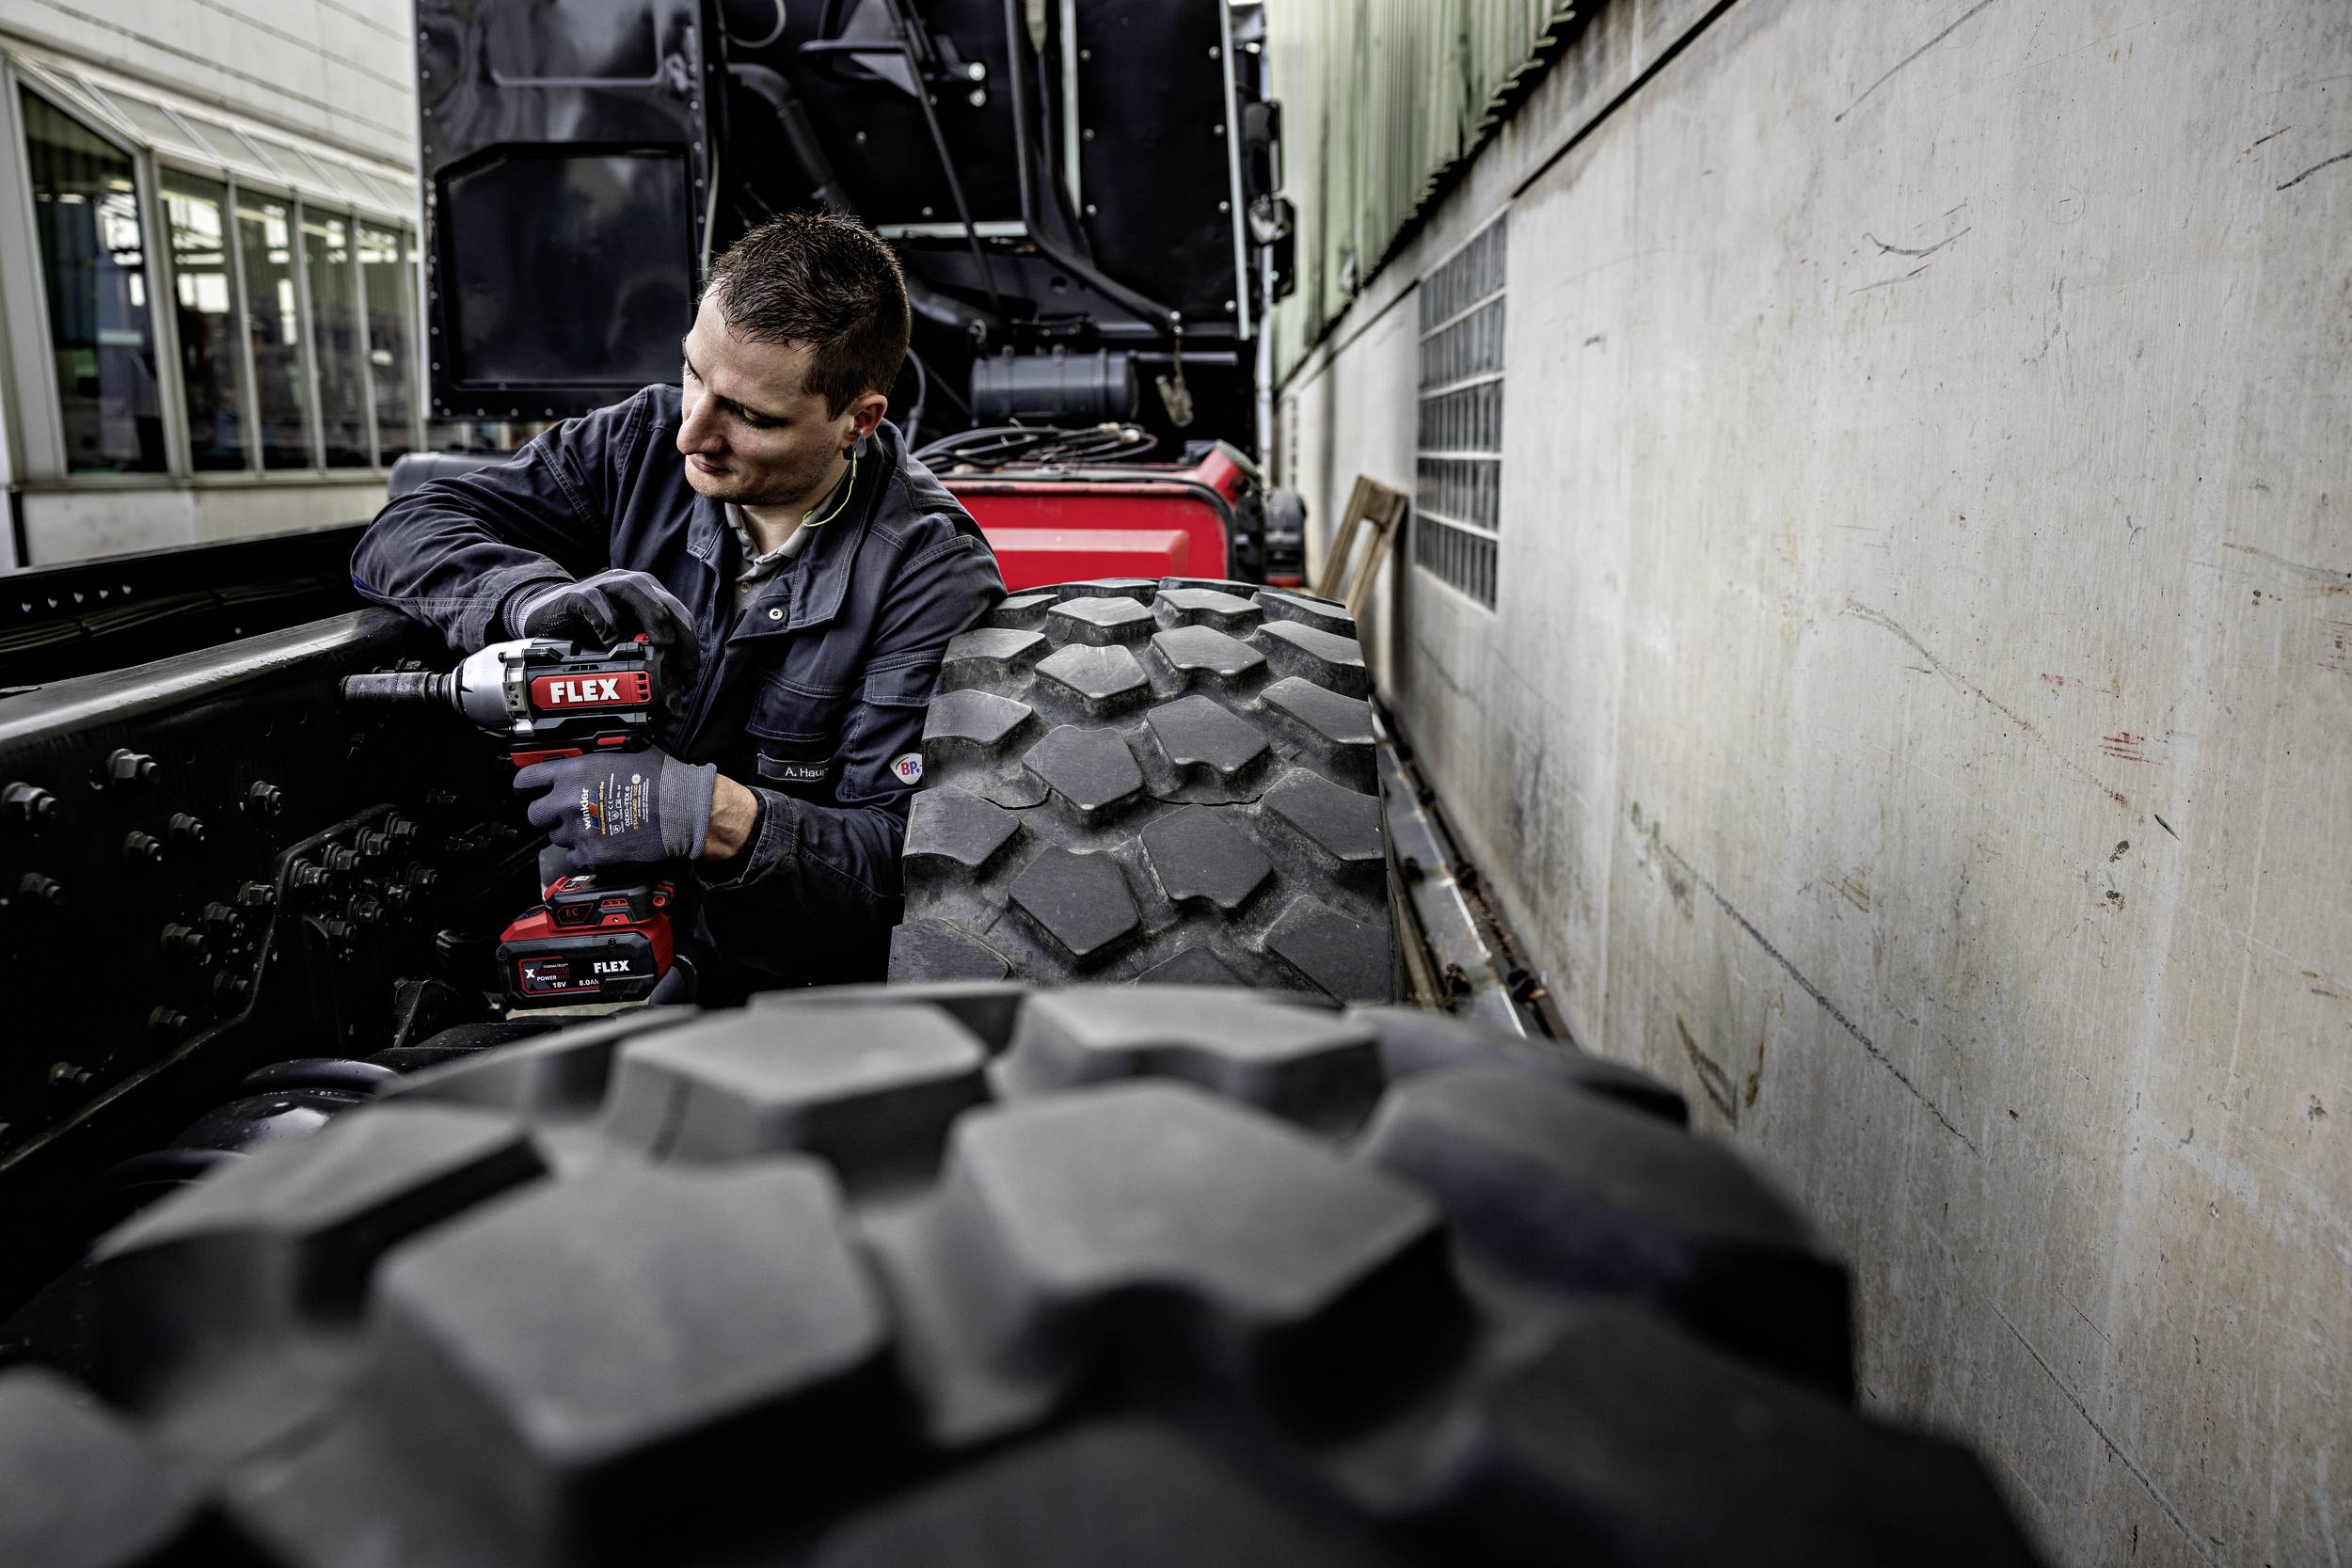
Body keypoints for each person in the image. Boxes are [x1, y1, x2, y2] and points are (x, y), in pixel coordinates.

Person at [350, 213, 1004, 994]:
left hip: (782, 995)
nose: (693, 433)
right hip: (584, 934)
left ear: (858, 420)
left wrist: (706, 812)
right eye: (695, 374)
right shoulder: (637, 442)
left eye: (751, 416)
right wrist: (530, 600)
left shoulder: (929, 573)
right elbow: (403, 530)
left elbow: (910, 864)